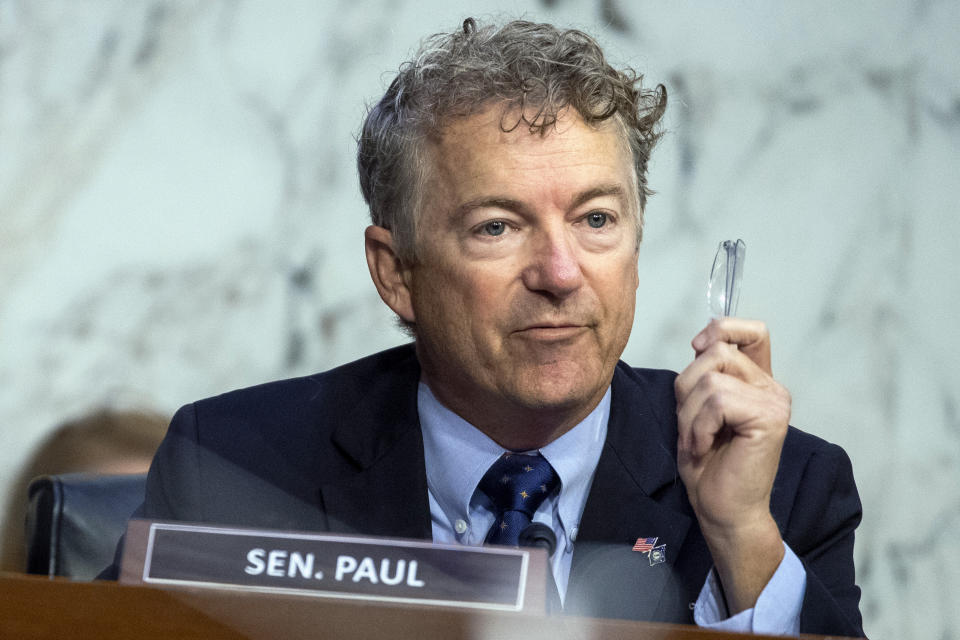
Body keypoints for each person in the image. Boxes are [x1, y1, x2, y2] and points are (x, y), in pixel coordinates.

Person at [103, 18, 863, 636]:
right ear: (395, 272)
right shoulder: (235, 467)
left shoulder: (781, 487)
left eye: (597, 219)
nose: (560, 273)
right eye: (498, 228)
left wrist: (740, 538)